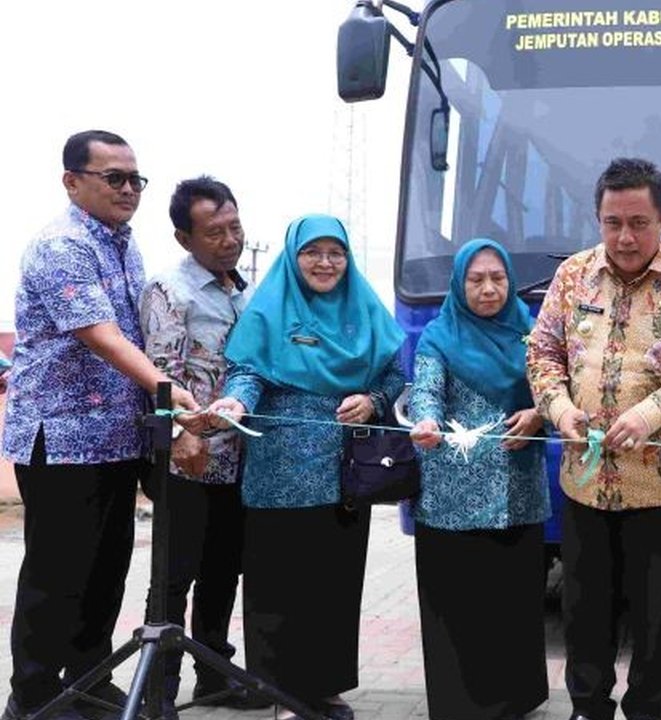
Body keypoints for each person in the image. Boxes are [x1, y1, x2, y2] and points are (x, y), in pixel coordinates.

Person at [2, 130, 200, 720]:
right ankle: (33, 696)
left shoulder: (123, 244)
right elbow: (103, 336)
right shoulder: (61, 245)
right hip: (62, 440)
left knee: (106, 571)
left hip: (115, 437)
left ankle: (88, 680)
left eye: (136, 179)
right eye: (114, 177)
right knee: (57, 574)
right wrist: (169, 391)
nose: (129, 189)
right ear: (72, 181)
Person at [526, 157, 661, 720]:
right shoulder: (573, 275)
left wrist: (649, 415)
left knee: (656, 612)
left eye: (639, 223)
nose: (625, 237)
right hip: (585, 480)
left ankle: (647, 708)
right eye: (612, 223)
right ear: (598, 219)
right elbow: (542, 351)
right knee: (583, 606)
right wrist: (560, 409)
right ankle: (587, 706)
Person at [206, 214, 406, 720]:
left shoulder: (364, 309)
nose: (325, 262)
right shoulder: (269, 310)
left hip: (345, 475)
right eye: (312, 252)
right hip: (280, 476)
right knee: (278, 588)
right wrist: (235, 402)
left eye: (335, 252)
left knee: (333, 588)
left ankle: (325, 688)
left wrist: (372, 400)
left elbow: (393, 374)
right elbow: (247, 371)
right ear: (294, 257)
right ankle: (282, 694)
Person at [138, 176, 268, 715]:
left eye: (235, 227)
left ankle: (215, 677)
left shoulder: (246, 292)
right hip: (185, 459)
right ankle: (158, 692)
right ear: (184, 238)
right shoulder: (169, 290)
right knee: (175, 575)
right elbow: (159, 375)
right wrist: (182, 434)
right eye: (214, 232)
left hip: (237, 460)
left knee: (223, 571)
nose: (230, 240)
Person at [407, 238, 550, 720]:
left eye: (497, 279)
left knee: (511, 602)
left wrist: (538, 413)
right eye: (476, 280)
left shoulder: (531, 333)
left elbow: (557, 389)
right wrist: (426, 421)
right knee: (460, 604)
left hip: (517, 493)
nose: (488, 289)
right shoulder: (438, 336)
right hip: (453, 498)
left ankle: (515, 699)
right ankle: (462, 705)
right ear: (459, 283)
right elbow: (426, 390)